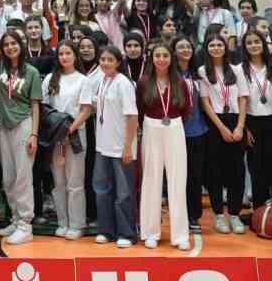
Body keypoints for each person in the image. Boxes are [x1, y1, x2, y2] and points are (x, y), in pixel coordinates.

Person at [73, 45, 137, 248]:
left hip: (120, 147)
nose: (105, 63)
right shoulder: (102, 81)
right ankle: (106, 230)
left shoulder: (123, 83)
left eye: (110, 60)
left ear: (118, 62)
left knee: (123, 193)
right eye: (103, 59)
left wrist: (128, 146)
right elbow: (94, 107)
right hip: (102, 146)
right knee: (101, 190)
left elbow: (132, 117)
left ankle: (126, 233)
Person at [0, 20, 42, 247]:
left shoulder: (31, 71)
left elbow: (35, 106)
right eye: (6, 44)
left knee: (23, 177)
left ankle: (25, 225)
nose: (10, 47)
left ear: (21, 45)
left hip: (23, 125)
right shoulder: (0, 67)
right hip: (3, 126)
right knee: (8, 177)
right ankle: (15, 217)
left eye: (14, 43)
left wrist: (34, 134)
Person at [136, 40, 191, 251]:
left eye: (165, 56)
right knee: (151, 180)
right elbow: (139, 109)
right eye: (157, 56)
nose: (161, 59)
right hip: (151, 126)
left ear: (171, 58)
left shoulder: (180, 82)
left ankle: (181, 235)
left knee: (178, 180)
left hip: (174, 126)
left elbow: (186, 110)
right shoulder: (144, 82)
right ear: (152, 59)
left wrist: (172, 124)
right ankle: (150, 232)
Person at [198, 30, 247, 234]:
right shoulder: (202, 71)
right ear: (207, 49)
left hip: (235, 120)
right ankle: (219, 215)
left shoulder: (237, 69)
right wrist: (221, 128)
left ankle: (234, 215)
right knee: (214, 171)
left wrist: (240, 126)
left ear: (225, 48)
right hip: (215, 123)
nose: (216, 48)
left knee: (237, 170)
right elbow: (205, 102)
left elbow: (243, 98)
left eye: (219, 45)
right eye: (212, 45)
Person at [240, 28, 272, 208]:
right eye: (249, 43)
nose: (253, 45)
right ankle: (260, 212)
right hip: (252, 123)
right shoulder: (240, 70)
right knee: (257, 168)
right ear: (244, 47)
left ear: (263, 44)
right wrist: (245, 128)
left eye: (257, 42)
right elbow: (240, 102)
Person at [43, 42, 87, 240]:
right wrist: (57, 128)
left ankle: (77, 224)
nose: (64, 57)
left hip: (75, 133)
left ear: (75, 55)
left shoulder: (83, 80)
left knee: (74, 181)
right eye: (61, 54)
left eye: (68, 53)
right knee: (58, 181)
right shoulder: (50, 79)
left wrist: (70, 128)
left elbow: (86, 109)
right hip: (55, 135)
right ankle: (62, 222)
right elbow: (44, 107)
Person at [174, 36, 207, 235]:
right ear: (174, 51)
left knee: (195, 175)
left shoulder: (198, 74)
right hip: (175, 131)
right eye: (181, 47)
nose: (185, 49)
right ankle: (179, 215)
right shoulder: (170, 74)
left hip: (198, 131)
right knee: (178, 175)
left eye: (188, 46)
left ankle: (193, 215)